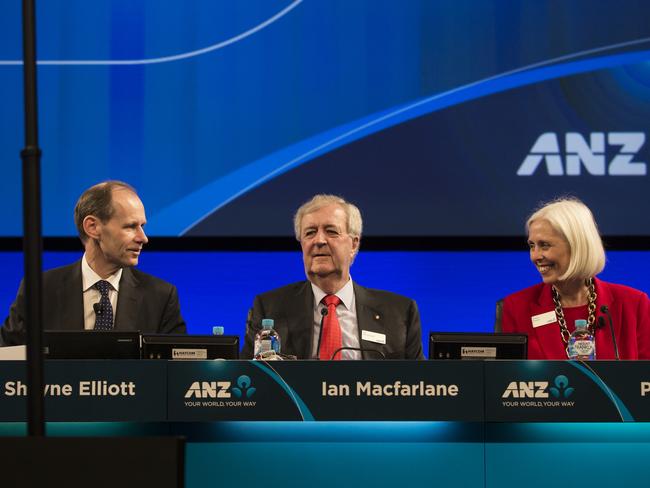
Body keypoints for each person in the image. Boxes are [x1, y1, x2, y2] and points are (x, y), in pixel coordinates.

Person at [0, 180, 186, 346]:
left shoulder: (161, 297)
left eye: (142, 226)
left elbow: (177, 372)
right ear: (92, 227)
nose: (143, 238)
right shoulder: (40, 291)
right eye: (130, 227)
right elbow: (7, 360)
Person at [242, 194, 424, 360]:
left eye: (331, 231)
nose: (319, 240)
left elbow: (421, 385)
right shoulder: (270, 308)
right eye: (310, 233)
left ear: (353, 244)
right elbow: (250, 379)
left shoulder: (400, 313)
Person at [501, 197, 650, 359]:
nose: (535, 256)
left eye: (545, 245)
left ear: (577, 245)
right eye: (532, 246)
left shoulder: (634, 304)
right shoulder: (516, 307)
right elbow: (507, 380)